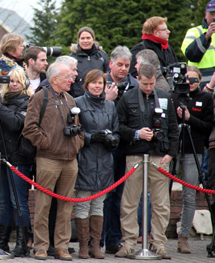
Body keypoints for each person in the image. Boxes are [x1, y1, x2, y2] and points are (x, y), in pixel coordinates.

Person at [115, 63, 179, 259]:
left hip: (160, 156)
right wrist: (136, 133)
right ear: (139, 79)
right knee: (130, 202)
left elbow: (174, 129)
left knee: (161, 203)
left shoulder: (166, 97)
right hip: (135, 155)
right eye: (145, 84)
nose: (149, 88)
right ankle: (128, 243)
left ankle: (159, 243)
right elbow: (119, 127)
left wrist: (171, 154)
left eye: (151, 84)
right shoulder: (127, 97)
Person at [22, 62, 84, 261]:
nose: (71, 79)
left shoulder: (71, 100)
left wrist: (77, 143)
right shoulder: (40, 98)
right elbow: (29, 128)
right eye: (67, 77)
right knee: (42, 205)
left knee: (66, 208)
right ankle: (40, 246)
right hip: (48, 159)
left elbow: (79, 127)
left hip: (70, 160)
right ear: (55, 79)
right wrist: (46, 144)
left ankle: (62, 246)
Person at [0, 67, 33, 257]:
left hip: (19, 159)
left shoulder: (28, 102)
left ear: (24, 84)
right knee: (3, 202)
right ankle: (2, 243)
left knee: (18, 202)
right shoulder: (1, 101)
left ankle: (23, 244)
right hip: (1, 157)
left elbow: (14, 124)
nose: (13, 84)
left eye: (18, 81)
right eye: (11, 80)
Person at [74, 69, 119, 259]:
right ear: (87, 85)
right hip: (86, 158)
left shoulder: (110, 106)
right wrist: (91, 138)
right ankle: (83, 246)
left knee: (99, 204)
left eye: (100, 83)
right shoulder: (77, 103)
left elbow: (116, 131)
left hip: (105, 160)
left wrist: (113, 140)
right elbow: (73, 131)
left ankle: (95, 245)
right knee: (83, 204)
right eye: (94, 83)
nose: (97, 86)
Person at [171, 66, 213, 253]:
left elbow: (207, 126)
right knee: (161, 194)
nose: (190, 84)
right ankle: (155, 238)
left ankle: (184, 237)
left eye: (194, 80)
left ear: (199, 81)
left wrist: (189, 118)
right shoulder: (173, 96)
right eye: (187, 80)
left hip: (193, 150)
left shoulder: (205, 98)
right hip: (172, 150)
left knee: (189, 195)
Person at [100, 46, 137, 254]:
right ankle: (98, 239)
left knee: (119, 195)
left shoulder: (135, 86)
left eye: (127, 65)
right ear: (111, 64)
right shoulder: (100, 83)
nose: (123, 69)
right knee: (104, 194)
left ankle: (114, 239)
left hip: (126, 147)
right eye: (120, 64)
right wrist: (107, 100)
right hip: (105, 147)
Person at [69, 26, 109, 97]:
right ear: (78, 40)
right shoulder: (72, 58)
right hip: (78, 97)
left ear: (93, 39)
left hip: (98, 98)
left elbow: (108, 74)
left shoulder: (102, 55)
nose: (85, 41)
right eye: (82, 38)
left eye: (88, 38)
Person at [181, 0, 215, 77]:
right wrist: (206, 36)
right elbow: (190, 54)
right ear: (206, 14)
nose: (214, 17)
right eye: (211, 14)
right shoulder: (194, 32)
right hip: (200, 77)